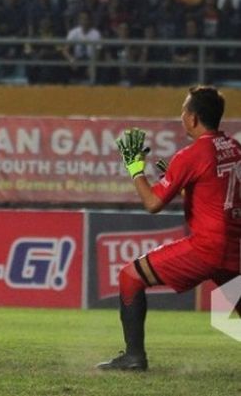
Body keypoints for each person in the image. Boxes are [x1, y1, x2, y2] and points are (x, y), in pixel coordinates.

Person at [98, 86, 241, 371]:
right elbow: (214, 194)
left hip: (207, 247)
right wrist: (180, 182)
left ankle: (134, 357)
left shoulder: (191, 155)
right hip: (235, 248)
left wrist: (135, 169)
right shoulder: (235, 148)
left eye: (184, 110)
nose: (182, 115)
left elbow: (152, 203)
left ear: (193, 118)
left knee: (130, 277)